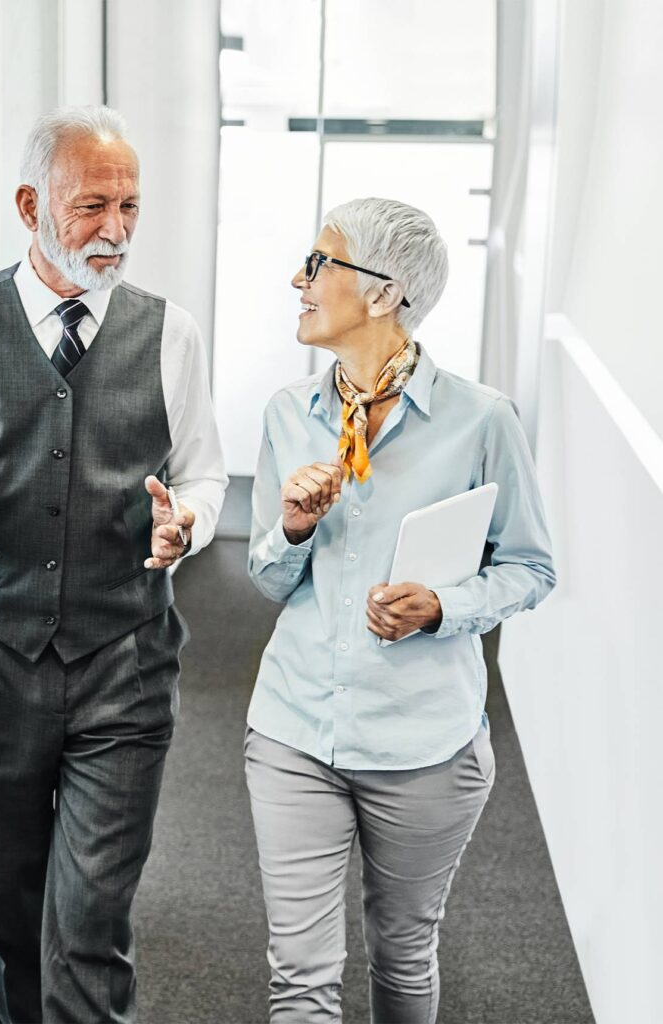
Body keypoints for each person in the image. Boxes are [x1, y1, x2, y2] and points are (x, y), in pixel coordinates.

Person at [0, 105, 227, 1023]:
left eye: (130, 207)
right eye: (91, 206)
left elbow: (201, 471)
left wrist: (182, 523)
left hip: (126, 660)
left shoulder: (171, 333)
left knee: (90, 919)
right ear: (31, 203)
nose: (115, 231)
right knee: (0, 914)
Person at [245, 197, 556, 1024]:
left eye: (319, 265)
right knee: (300, 979)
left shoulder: (481, 421)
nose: (299, 282)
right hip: (294, 729)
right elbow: (270, 582)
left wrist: (443, 607)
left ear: (382, 293)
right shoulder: (289, 414)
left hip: (425, 744)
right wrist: (292, 527)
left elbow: (530, 567)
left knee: (402, 952)